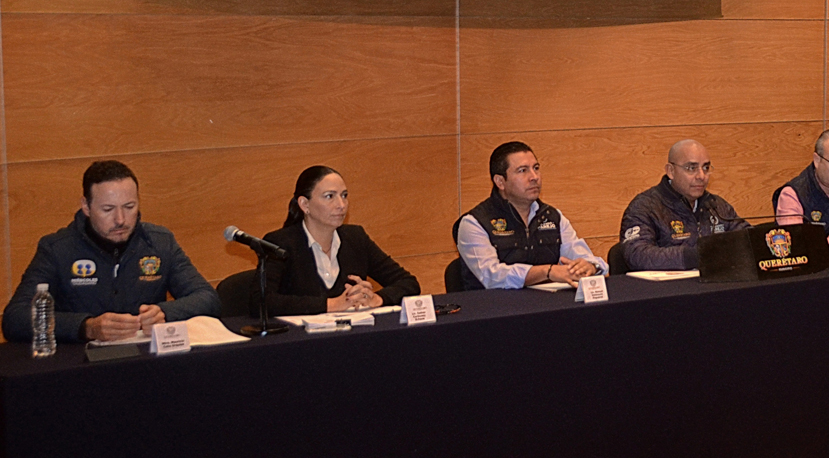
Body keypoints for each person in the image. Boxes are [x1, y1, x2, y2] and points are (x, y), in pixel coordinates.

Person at [1, 160, 219, 343]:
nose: (120, 219)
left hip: (146, 361)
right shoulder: (57, 249)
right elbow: (15, 318)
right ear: (86, 207)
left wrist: (165, 313)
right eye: (108, 209)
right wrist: (86, 327)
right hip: (82, 365)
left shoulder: (160, 242)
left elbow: (207, 298)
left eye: (129, 207)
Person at [258, 166, 422, 315]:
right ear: (304, 204)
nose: (341, 205)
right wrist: (332, 304)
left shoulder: (355, 238)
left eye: (344, 195)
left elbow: (408, 283)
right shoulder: (279, 243)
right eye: (329, 196)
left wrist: (377, 298)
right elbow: (262, 301)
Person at [454, 141, 606, 289]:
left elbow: (583, 256)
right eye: (523, 170)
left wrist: (590, 266)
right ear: (500, 182)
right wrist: (546, 272)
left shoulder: (552, 216)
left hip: (548, 303)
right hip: (496, 304)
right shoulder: (474, 223)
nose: (534, 177)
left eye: (536, 168)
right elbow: (492, 277)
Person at [618, 139, 748, 271]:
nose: (701, 176)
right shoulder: (644, 207)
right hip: (670, 284)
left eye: (706, 168)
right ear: (671, 171)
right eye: (692, 168)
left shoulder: (716, 206)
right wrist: (696, 256)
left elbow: (748, 239)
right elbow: (637, 254)